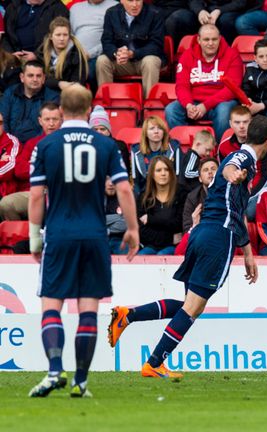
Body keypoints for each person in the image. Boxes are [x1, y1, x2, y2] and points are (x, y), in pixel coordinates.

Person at [108, 116, 267, 379]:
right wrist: (232, 173)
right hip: (218, 238)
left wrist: (247, 253)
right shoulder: (243, 159)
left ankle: (128, 315)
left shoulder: (244, 160)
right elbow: (229, 168)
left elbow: (236, 209)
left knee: (189, 304)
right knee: (193, 309)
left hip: (202, 233)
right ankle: (154, 363)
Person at [28, 84, 139, 397]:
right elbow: (124, 189)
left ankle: (54, 371)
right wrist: (132, 228)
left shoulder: (45, 146)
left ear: (62, 111)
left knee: (52, 303)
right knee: (87, 308)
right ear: (89, 111)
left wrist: (34, 236)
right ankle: (80, 381)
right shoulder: (106, 145)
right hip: (94, 234)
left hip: (59, 234)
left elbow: (35, 195)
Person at [166, 24, 242, 142]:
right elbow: (182, 86)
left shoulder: (232, 55)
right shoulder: (187, 56)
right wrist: (188, 105)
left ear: (220, 38)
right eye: (206, 39)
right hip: (194, 102)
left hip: (220, 103)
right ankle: (185, 146)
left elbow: (232, 88)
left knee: (224, 111)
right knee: (171, 110)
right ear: (199, 40)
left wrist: (205, 106)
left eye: (214, 39)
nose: (211, 43)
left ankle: (220, 148)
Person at [0, 103, 62, 221]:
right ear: (40, 121)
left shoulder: (67, 142)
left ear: (61, 120)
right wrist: (47, 167)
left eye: (55, 119)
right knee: (6, 204)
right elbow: (19, 170)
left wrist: (35, 165)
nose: (51, 123)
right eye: (47, 119)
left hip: (61, 192)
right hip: (31, 192)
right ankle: (20, 233)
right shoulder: (32, 143)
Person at [96, 0, 165, 98]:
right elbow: (106, 42)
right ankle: (106, 102)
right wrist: (116, 53)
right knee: (102, 60)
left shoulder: (155, 13)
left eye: (138, 0)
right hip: (122, 62)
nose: (135, 5)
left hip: (144, 61)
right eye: (130, 0)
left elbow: (156, 45)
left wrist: (132, 54)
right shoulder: (111, 13)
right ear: (122, 1)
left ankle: (149, 104)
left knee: (150, 61)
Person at [0, 60, 61, 143]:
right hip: (10, 144)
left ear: (43, 78)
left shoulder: (53, 97)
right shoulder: (10, 93)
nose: (35, 79)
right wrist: (10, 143)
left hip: (38, 145)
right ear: (22, 77)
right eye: (30, 75)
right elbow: (3, 121)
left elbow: (50, 127)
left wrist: (31, 145)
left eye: (38, 76)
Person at [136, 156, 184, 255]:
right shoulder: (144, 197)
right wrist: (169, 239)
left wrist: (151, 219)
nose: (163, 173)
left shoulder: (181, 194)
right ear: (152, 174)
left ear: (171, 173)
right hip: (151, 245)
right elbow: (142, 231)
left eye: (166, 169)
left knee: (161, 255)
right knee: (141, 256)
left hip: (173, 247)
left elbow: (178, 224)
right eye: (158, 170)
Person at [70, 0, 118, 91]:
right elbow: (69, 35)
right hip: (75, 55)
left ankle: (92, 98)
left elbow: (115, 39)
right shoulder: (75, 8)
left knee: (88, 72)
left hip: (100, 55)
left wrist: (90, 54)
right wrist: (72, 53)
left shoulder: (114, 7)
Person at [2, 0, 69, 62]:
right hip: (14, 60)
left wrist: (38, 56)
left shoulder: (57, 8)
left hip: (44, 62)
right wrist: (11, 54)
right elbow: (5, 35)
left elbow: (62, 38)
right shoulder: (14, 6)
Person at [131, 116, 181, 196]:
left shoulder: (174, 148)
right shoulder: (136, 151)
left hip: (168, 193)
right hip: (145, 194)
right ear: (145, 133)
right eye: (152, 128)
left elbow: (177, 178)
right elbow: (136, 183)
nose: (156, 131)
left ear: (164, 132)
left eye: (160, 128)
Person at [37, 17, 90, 91]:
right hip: (44, 91)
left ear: (69, 36)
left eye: (65, 35)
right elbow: (38, 78)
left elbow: (77, 83)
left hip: (68, 93)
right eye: (58, 35)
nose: (62, 38)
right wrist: (59, 84)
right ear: (50, 36)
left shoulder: (77, 55)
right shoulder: (41, 52)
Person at [182, 157, 218, 234]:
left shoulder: (228, 193)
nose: (210, 172)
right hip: (201, 236)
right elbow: (187, 228)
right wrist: (195, 225)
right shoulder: (192, 197)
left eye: (213, 169)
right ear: (200, 178)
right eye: (205, 170)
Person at [178, 129, 216, 194]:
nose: (208, 153)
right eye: (207, 150)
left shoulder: (195, 157)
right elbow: (187, 173)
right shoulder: (192, 156)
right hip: (185, 192)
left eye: (210, 151)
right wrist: (202, 173)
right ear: (198, 144)